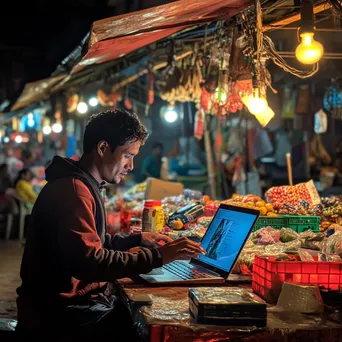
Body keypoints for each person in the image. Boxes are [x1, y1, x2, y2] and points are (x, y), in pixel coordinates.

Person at [16, 110, 204, 341]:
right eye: (127, 155)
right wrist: (157, 257)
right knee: (148, 324)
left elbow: (94, 243)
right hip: (60, 316)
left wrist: (137, 239)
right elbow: (89, 262)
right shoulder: (74, 191)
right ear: (103, 148)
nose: (131, 165)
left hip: (68, 308)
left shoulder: (83, 184)